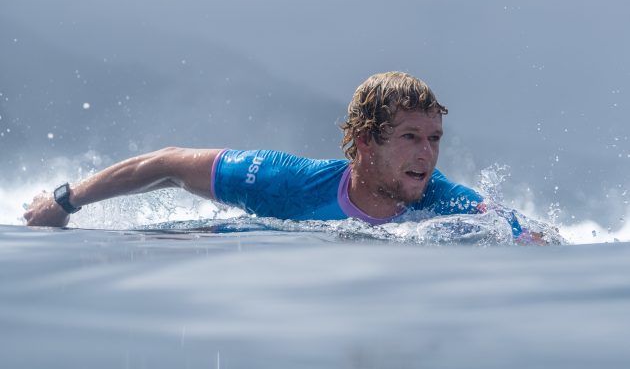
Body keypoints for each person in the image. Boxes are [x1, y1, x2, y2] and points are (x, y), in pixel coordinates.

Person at [24, 72, 542, 243]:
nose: (427, 155)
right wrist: (64, 201)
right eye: (410, 137)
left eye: (434, 139)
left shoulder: (444, 203)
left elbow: (521, 232)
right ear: (365, 142)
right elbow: (167, 162)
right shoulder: (285, 181)